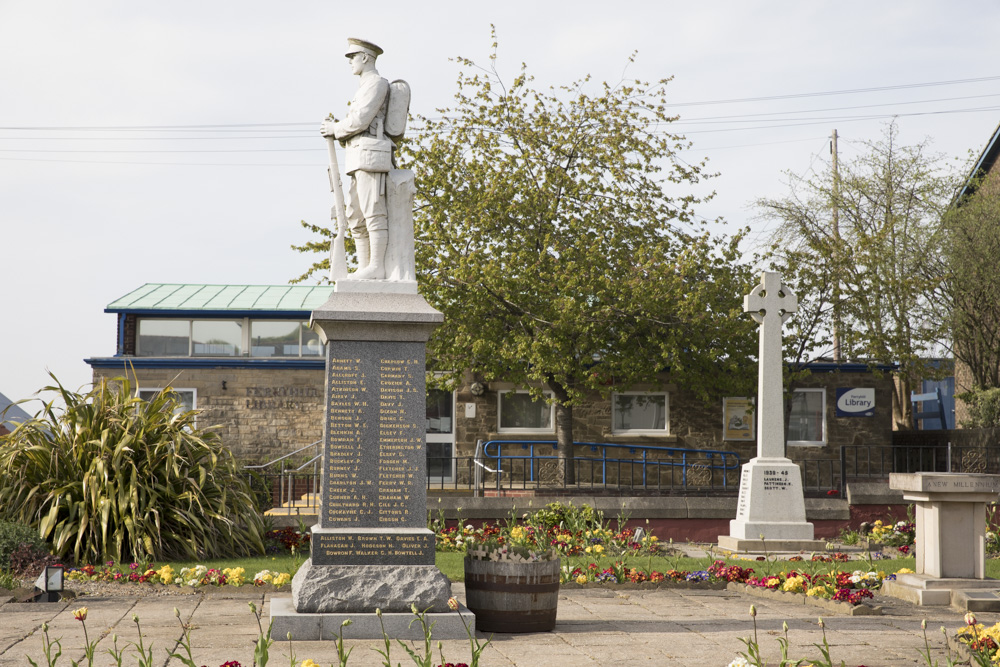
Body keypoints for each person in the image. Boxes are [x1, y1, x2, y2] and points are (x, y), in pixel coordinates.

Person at [320, 38, 390, 280]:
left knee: (373, 210)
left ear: (365, 57)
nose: (350, 61)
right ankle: (364, 267)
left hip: (370, 156)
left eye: (353, 56)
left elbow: (360, 120)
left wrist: (335, 128)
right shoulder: (364, 86)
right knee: (354, 214)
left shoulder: (377, 84)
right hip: (357, 156)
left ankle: (376, 266)